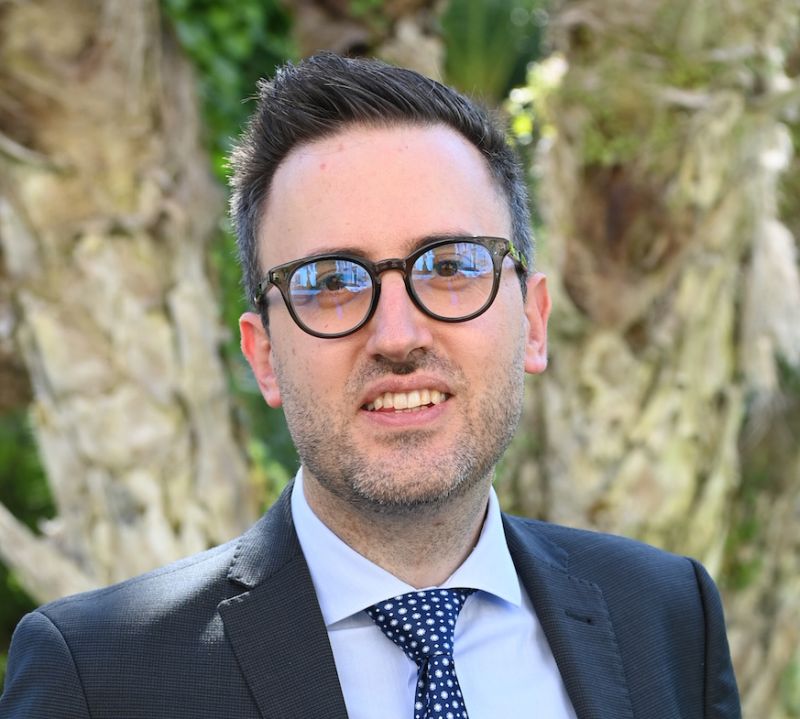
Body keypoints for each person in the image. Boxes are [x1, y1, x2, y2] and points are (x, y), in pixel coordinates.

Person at [0, 53, 740, 719]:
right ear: (265, 355)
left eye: (449, 266)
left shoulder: (668, 616)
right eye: (330, 282)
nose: (397, 335)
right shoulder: (97, 679)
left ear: (534, 322)